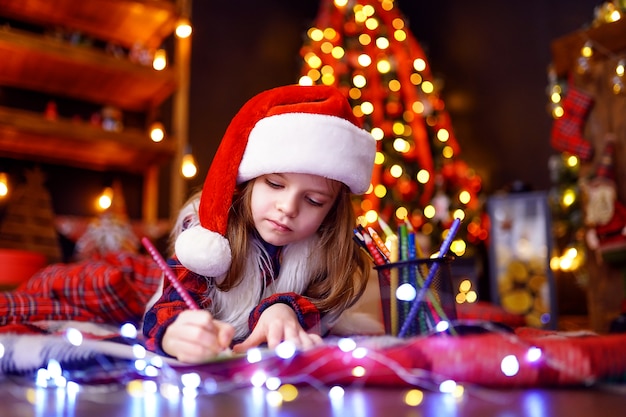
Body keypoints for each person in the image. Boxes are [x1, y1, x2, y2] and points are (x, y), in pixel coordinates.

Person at [143, 85, 377, 363]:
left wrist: (284, 308)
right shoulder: (205, 240)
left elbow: (323, 308)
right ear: (249, 182)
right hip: (144, 277)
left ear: (332, 212)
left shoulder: (326, 254)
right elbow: (167, 306)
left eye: (314, 200)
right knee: (104, 282)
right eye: (275, 184)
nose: (288, 208)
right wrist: (171, 333)